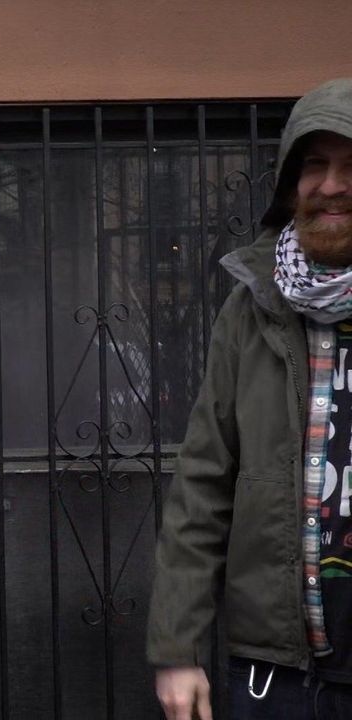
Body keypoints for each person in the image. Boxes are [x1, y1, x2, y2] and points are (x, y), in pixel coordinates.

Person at [149, 78, 352, 719]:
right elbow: (203, 482)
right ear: (290, 183)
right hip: (277, 675)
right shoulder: (252, 308)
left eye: (351, 165)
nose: (331, 185)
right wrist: (177, 648)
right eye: (314, 165)